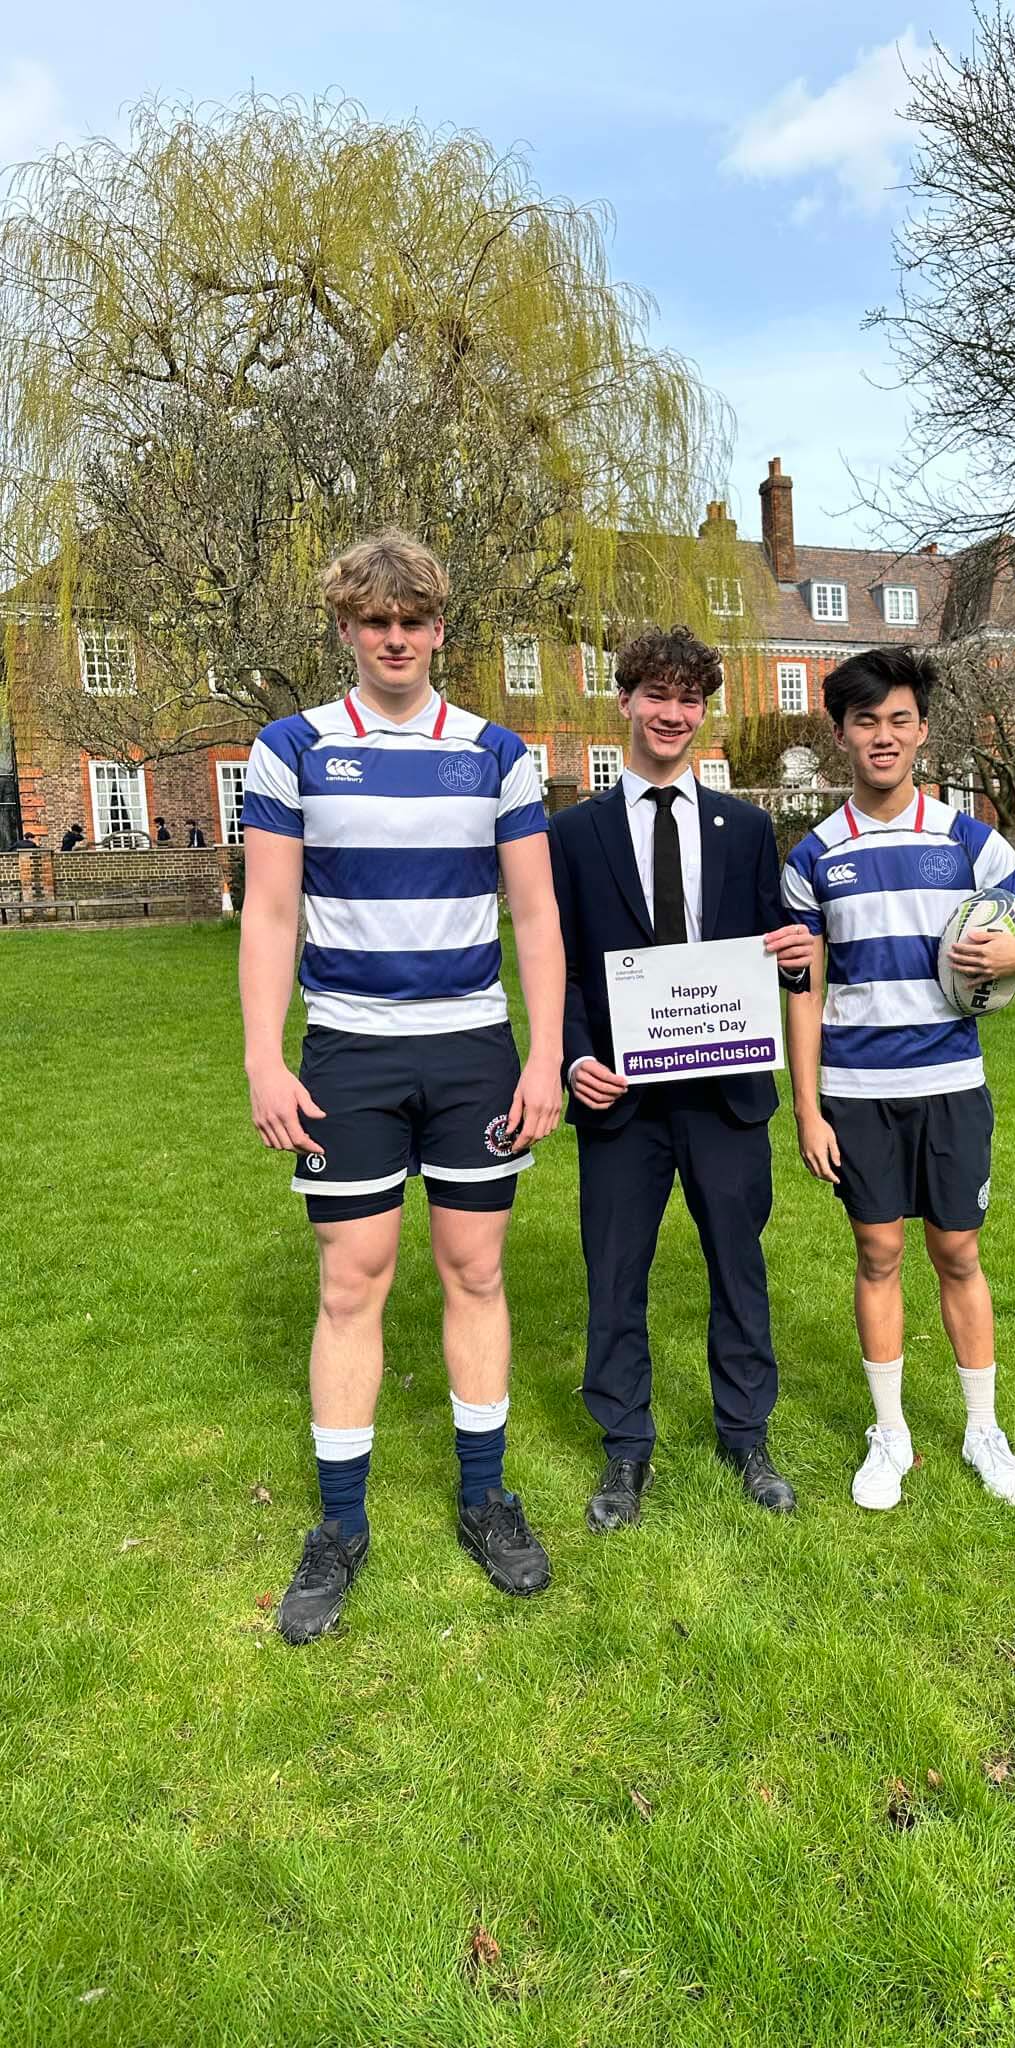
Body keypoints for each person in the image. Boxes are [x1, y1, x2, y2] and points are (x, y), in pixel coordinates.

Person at [239, 529, 565, 1644]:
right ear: (344, 628)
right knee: (351, 1280)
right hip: (350, 1053)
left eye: (412, 621)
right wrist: (264, 1054)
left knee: (474, 1270)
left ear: (438, 629)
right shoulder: (290, 748)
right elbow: (272, 913)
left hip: (472, 1045)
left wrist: (540, 1053)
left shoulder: (496, 752)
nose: (394, 639)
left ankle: (485, 1499)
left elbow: (534, 915)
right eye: (374, 622)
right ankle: (339, 1525)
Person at [782, 647, 1015, 1513]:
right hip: (857, 1092)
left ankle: (984, 1431)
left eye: (899, 720)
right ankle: (891, 1434)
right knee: (877, 1254)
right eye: (865, 720)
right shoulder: (813, 856)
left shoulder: (969, 839)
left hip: (951, 1085)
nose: (883, 736)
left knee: (958, 1251)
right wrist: (806, 1110)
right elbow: (802, 993)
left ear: (922, 732)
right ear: (841, 733)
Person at [548, 626, 814, 1532]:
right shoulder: (574, 834)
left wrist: (796, 953)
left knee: (738, 1266)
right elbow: (565, 969)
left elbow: (778, 945)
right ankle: (625, 1447)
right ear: (622, 701)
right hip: (620, 1095)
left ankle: (746, 1433)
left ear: (706, 712)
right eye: (655, 696)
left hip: (725, 1091)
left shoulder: (742, 828)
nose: (672, 714)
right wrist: (573, 1058)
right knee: (614, 1271)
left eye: (689, 700)